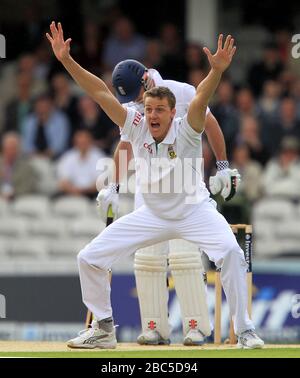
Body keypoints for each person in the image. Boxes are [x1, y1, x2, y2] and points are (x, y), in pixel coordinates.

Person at [47, 22, 264, 350]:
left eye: (159, 110)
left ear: (173, 112)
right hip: (151, 214)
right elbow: (100, 92)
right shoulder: (135, 125)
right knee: (88, 258)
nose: (152, 116)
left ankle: (245, 329)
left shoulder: (188, 128)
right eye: (148, 110)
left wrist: (216, 71)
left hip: (194, 210)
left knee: (232, 253)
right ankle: (104, 329)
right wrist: (66, 61)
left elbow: (203, 97)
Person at [96, 60, 240, 344]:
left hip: (185, 187)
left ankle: (196, 326)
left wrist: (223, 165)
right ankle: (154, 327)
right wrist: (113, 184)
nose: (138, 103)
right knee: (147, 258)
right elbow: (125, 145)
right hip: (149, 187)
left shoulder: (181, 92)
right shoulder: (135, 105)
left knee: (184, 256)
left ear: (147, 80)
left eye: (138, 94)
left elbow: (209, 123)